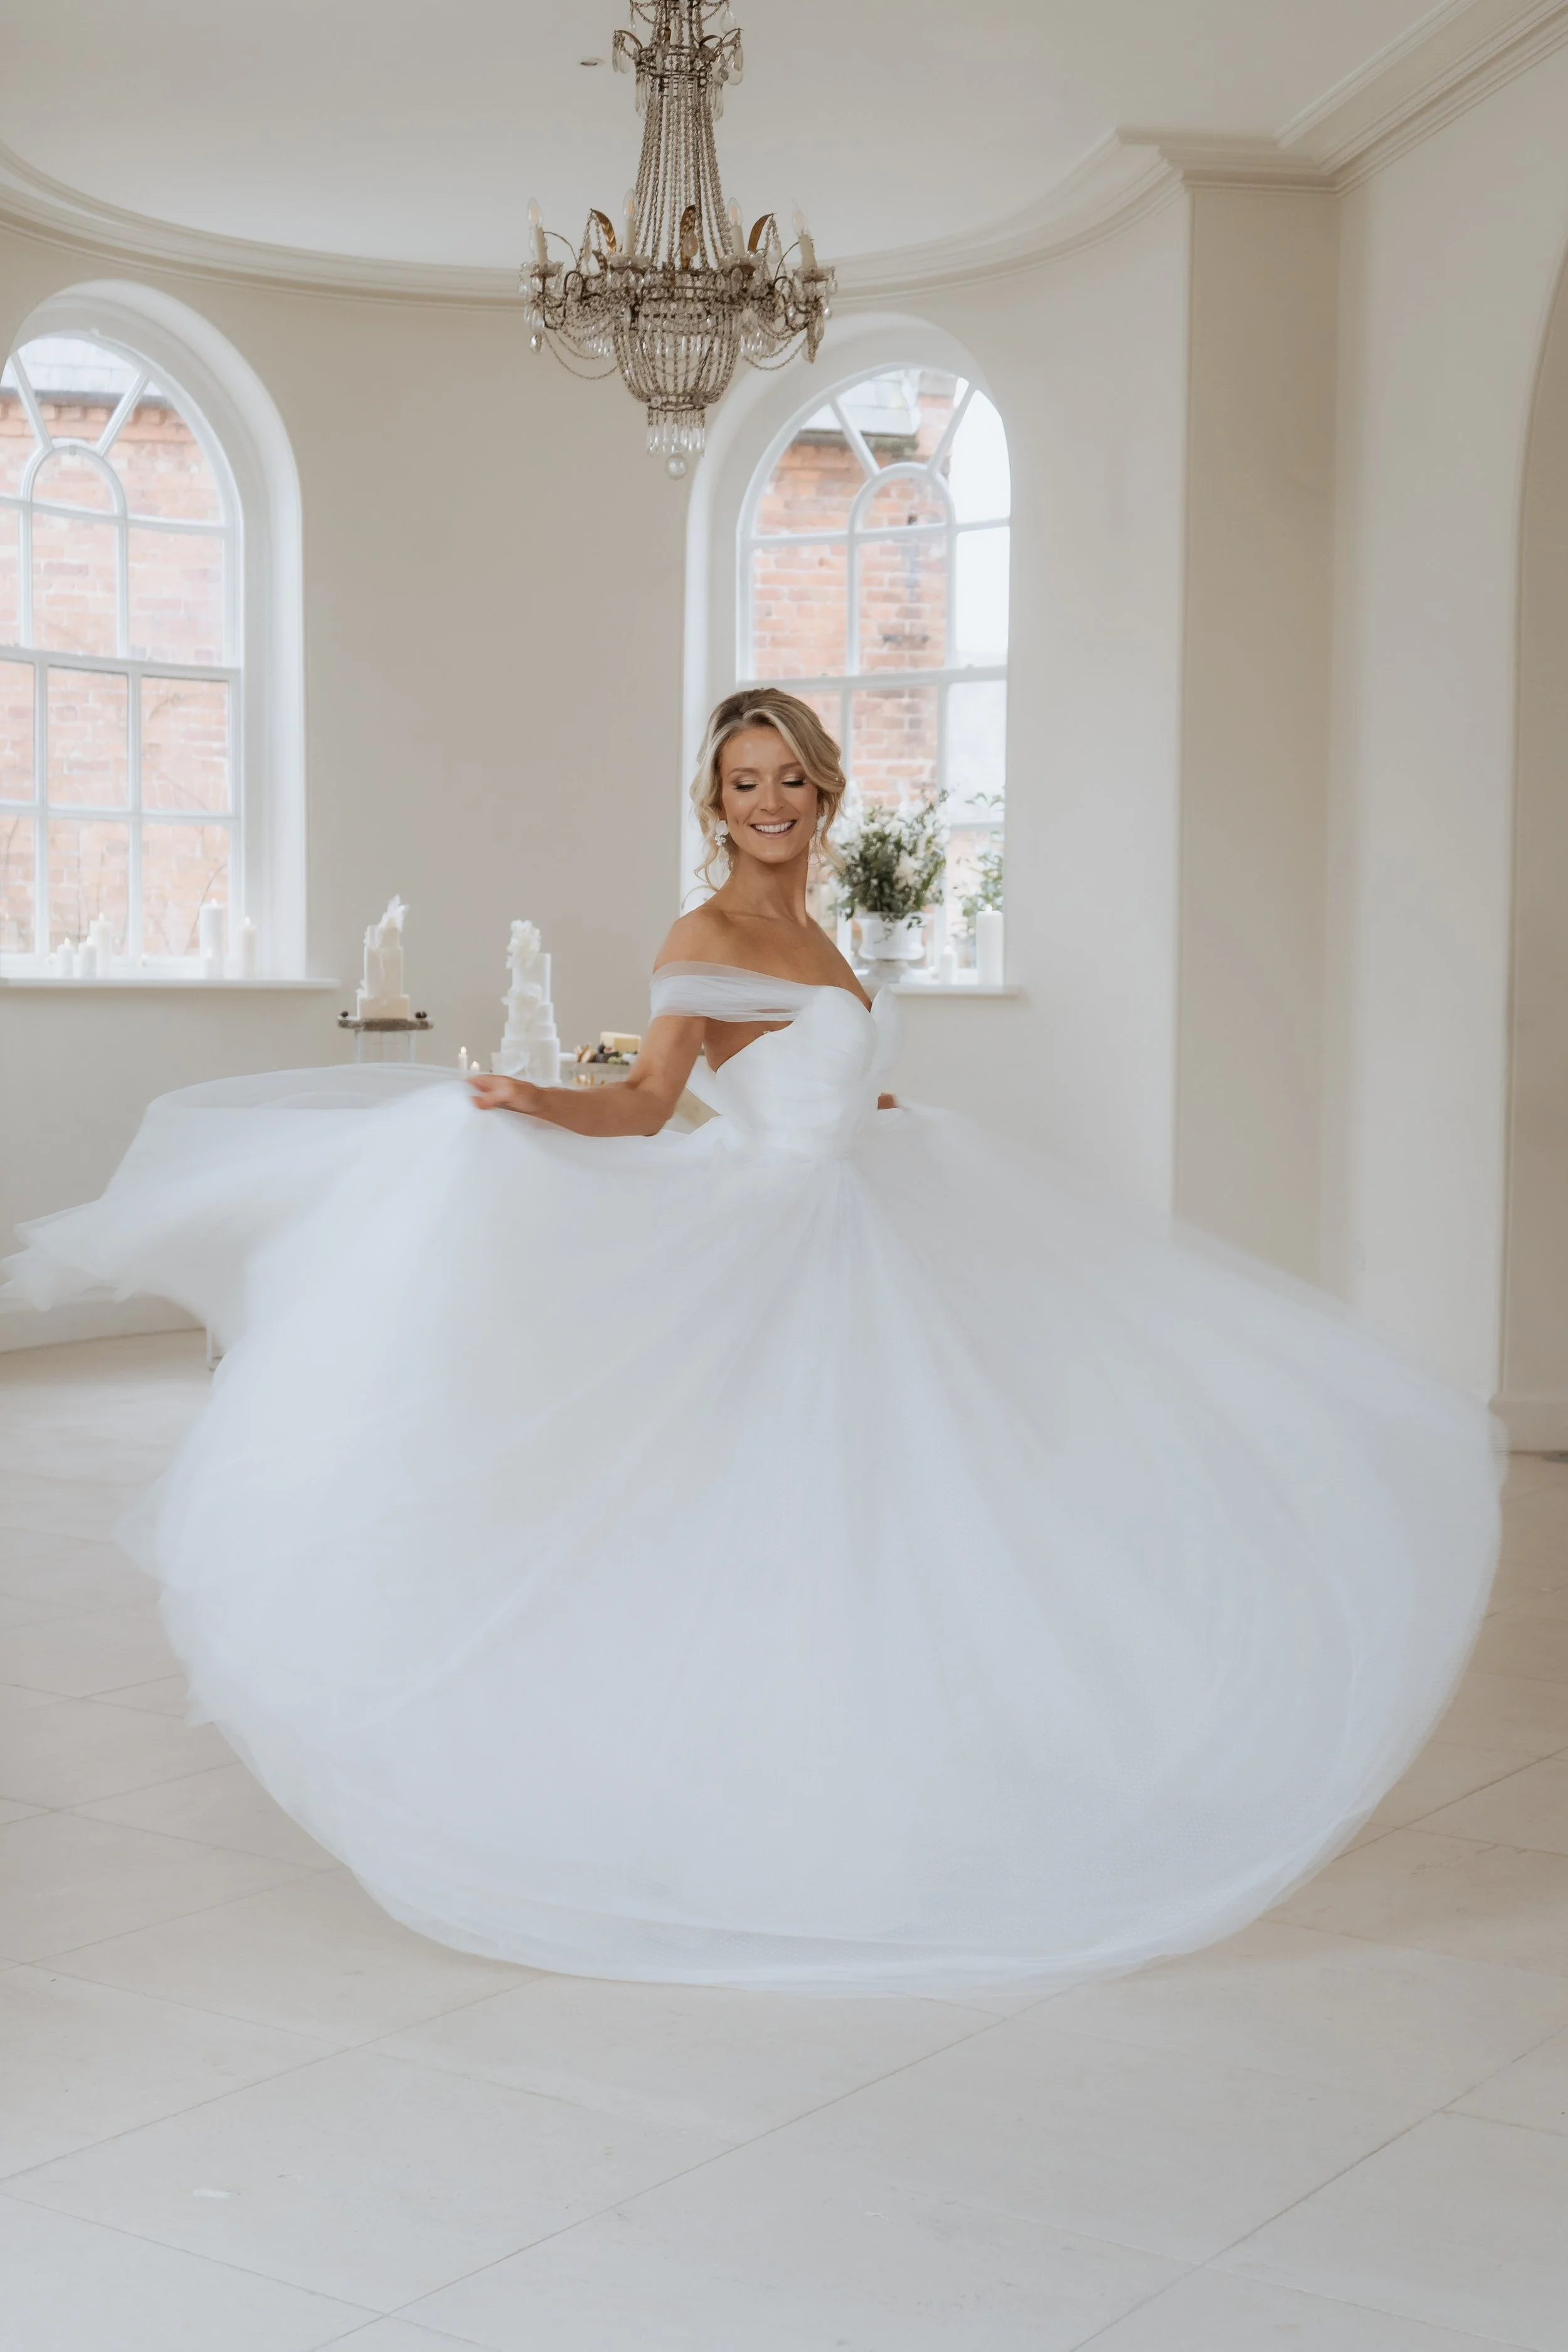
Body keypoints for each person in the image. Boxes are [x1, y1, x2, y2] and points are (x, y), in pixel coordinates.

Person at [3, 688, 1500, 1995]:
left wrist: (872, 1114)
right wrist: (533, 1106)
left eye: (789, 777)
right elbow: (653, 1101)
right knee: (780, 1512)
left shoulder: (810, 926)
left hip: (862, 1209)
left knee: (927, 1501)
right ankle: (749, 1789)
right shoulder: (708, 931)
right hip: (778, 1239)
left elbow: (811, 1078)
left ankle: (903, 1766)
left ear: (826, 792)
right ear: (712, 805)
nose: (769, 802)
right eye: (742, 782)